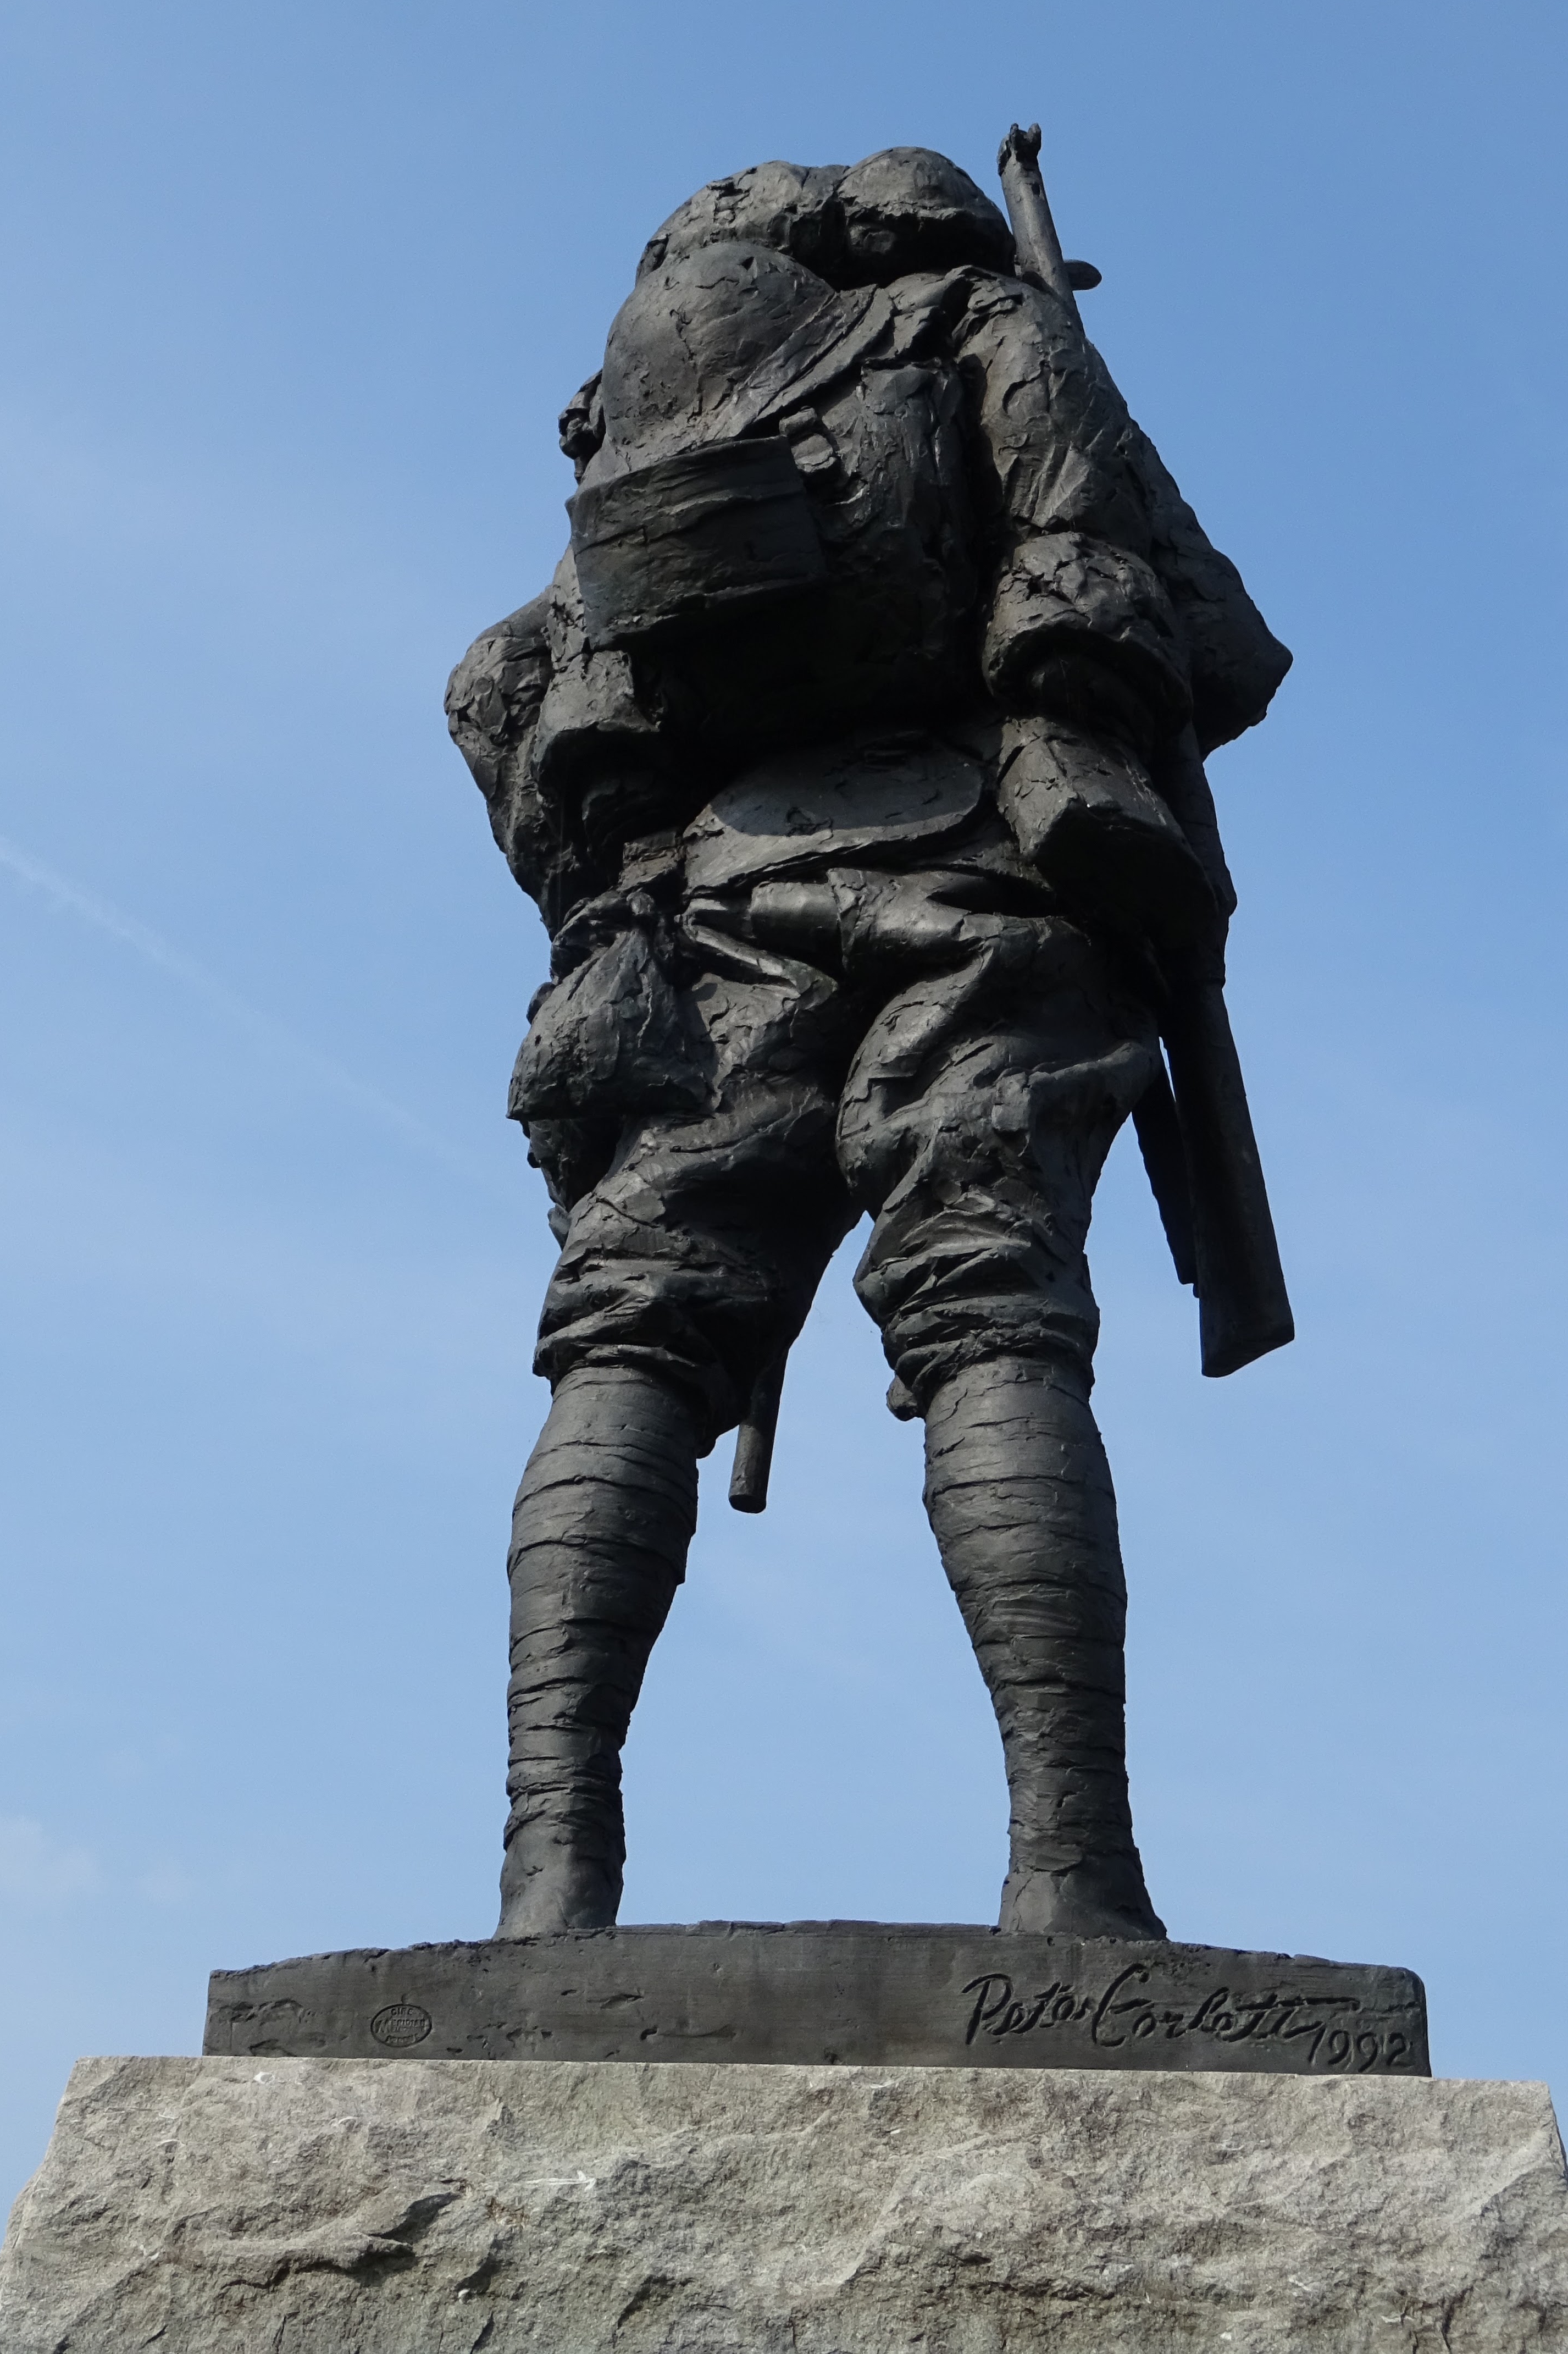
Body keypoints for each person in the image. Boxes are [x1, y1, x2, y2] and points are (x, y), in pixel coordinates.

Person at [447, 140, 1290, 1941]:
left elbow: (511, 688)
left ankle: (547, 1876)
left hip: (702, 910)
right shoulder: (980, 323)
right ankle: (1074, 1876)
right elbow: (1202, 633)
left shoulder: (644, 399)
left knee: (629, 1334)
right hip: (987, 869)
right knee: (994, 1316)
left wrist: (615, 889)